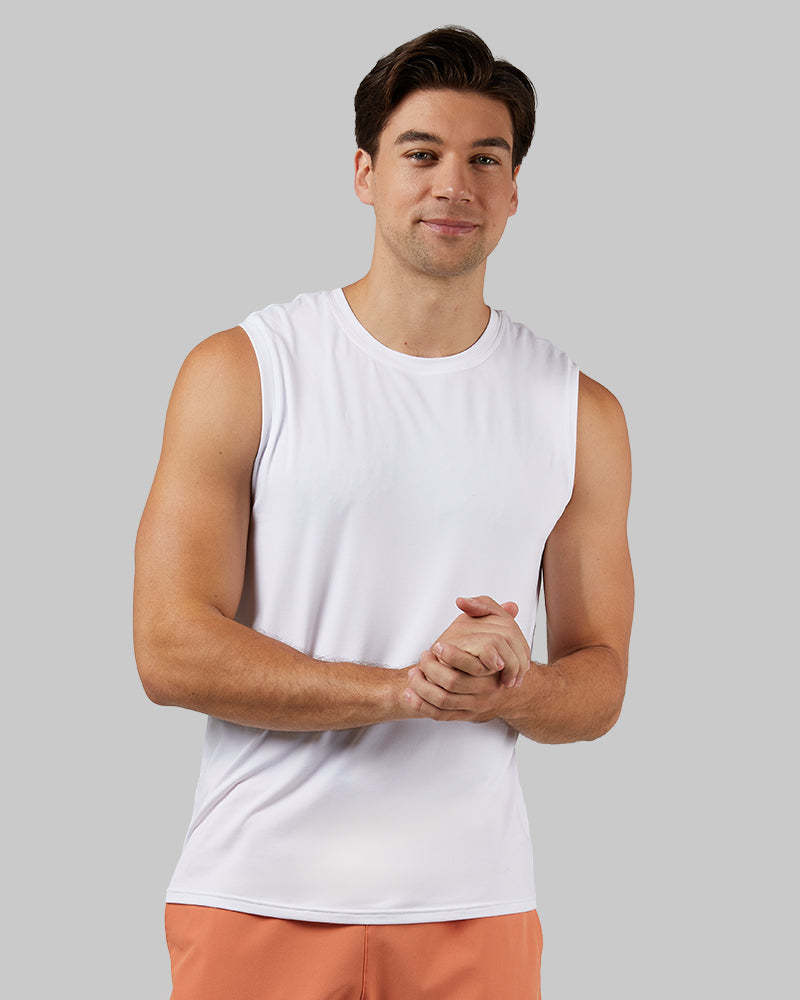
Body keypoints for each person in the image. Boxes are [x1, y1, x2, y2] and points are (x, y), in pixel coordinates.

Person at [133, 24, 634, 1000]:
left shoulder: (579, 413)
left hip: (476, 911)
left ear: (514, 190)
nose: (454, 184)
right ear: (364, 173)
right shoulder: (246, 370)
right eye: (421, 153)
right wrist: (402, 690)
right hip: (255, 897)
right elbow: (168, 648)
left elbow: (600, 680)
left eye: (485, 159)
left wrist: (514, 687)